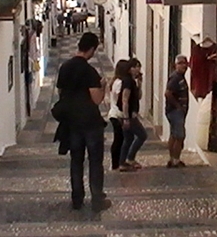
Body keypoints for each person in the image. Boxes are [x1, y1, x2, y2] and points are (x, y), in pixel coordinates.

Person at [55, 32, 111, 212]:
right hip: (90, 123)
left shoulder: (64, 67)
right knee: (95, 161)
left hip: (72, 123)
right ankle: (97, 198)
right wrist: (103, 86)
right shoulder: (89, 71)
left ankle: (77, 199)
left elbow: (60, 93)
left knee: (76, 160)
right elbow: (96, 99)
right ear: (92, 49)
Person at [118, 58, 148, 172]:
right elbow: (125, 99)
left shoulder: (132, 81)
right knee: (142, 135)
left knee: (129, 138)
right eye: (136, 67)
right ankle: (130, 158)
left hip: (130, 114)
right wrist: (126, 117)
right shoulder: (127, 81)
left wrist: (140, 84)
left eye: (139, 67)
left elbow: (139, 96)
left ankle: (123, 162)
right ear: (130, 69)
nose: (138, 69)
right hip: (129, 115)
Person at [165, 54, 189, 168]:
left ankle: (172, 159)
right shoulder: (175, 78)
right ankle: (175, 160)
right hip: (175, 112)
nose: (183, 65)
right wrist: (178, 106)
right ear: (175, 65)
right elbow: (168, 93)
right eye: (180, 63)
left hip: (175, 112)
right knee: (179, 136)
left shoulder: (180, 77)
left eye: (185, 63)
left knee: (174, 135)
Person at [108, 59, 129, 170]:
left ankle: (117, 162)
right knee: (119, 139)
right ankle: (116, 163)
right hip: (117, 114)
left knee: (119, 139)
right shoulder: (120, 83)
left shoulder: (115, 81)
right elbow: (122, 100)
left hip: (114, 113)